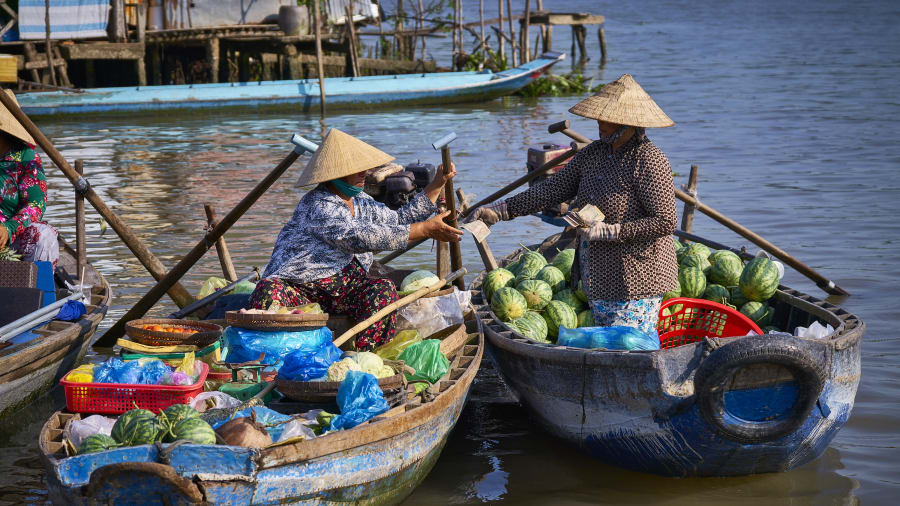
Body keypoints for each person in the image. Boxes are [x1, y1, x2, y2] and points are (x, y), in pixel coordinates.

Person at [467, 74, 678, 336]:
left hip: (637, 277)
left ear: (628, 124)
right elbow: (551, 190)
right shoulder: (593, 154)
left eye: (608, 119)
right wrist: (502, 210)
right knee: (607, 346)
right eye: (599, 117)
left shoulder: (649, 160)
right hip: (598, 274)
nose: (600, 123)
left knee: (628, 346)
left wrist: (610, 231)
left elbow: (666, 221)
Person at [249, 128, 463, 350]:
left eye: (364, 168)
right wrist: (425, 230)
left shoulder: (361, 200)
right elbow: (358, 237)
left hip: (343, 288)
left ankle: (360, 356)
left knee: (382, 290)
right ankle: (270, 360)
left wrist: (438, 183)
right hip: (300, 287)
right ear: (336, 175)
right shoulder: (318, 204)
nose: (365, 172)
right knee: (267, 291)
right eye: (356, 169)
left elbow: (399, 220)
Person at [0, 91, 58, 268]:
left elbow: (35, 204)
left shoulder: (26, 158)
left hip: (11, 239)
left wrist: (8, 229)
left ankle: (36, 293)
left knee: (43, 236)